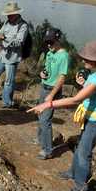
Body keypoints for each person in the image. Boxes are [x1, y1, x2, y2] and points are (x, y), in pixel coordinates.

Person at [27, 41, 96, 191]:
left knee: (83, 152)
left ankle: (81, 185)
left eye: (87, 59)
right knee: (80, 147)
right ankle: (73, 172)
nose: (83, 61)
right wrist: (83, 84)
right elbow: (91, 93)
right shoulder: (95, 72)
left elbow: (75, 100)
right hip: (89, 116)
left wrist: (48, 104)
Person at [0, 1, 28, 108]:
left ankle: (7, 102)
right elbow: (1, 32)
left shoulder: (23, 25)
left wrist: (4, 38)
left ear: (16, 13)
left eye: (9, 14)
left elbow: (19, 42)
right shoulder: (7, 22)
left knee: (9, 81)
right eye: (7, 14)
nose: (8, 16)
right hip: (2, 53)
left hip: (13, 57)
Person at [36, 28, 69, 160]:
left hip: (52, 90)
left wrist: (52, 95)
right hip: (44, 86)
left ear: (58, 40)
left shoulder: (63, 55)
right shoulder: (50, 53)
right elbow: (47, 69)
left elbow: (61, 78)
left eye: (51, 42)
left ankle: (48, 150)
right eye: (47, 42)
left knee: (45, 119)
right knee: (39, 114)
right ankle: (40, 139)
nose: (49, 45)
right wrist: (42, 74)